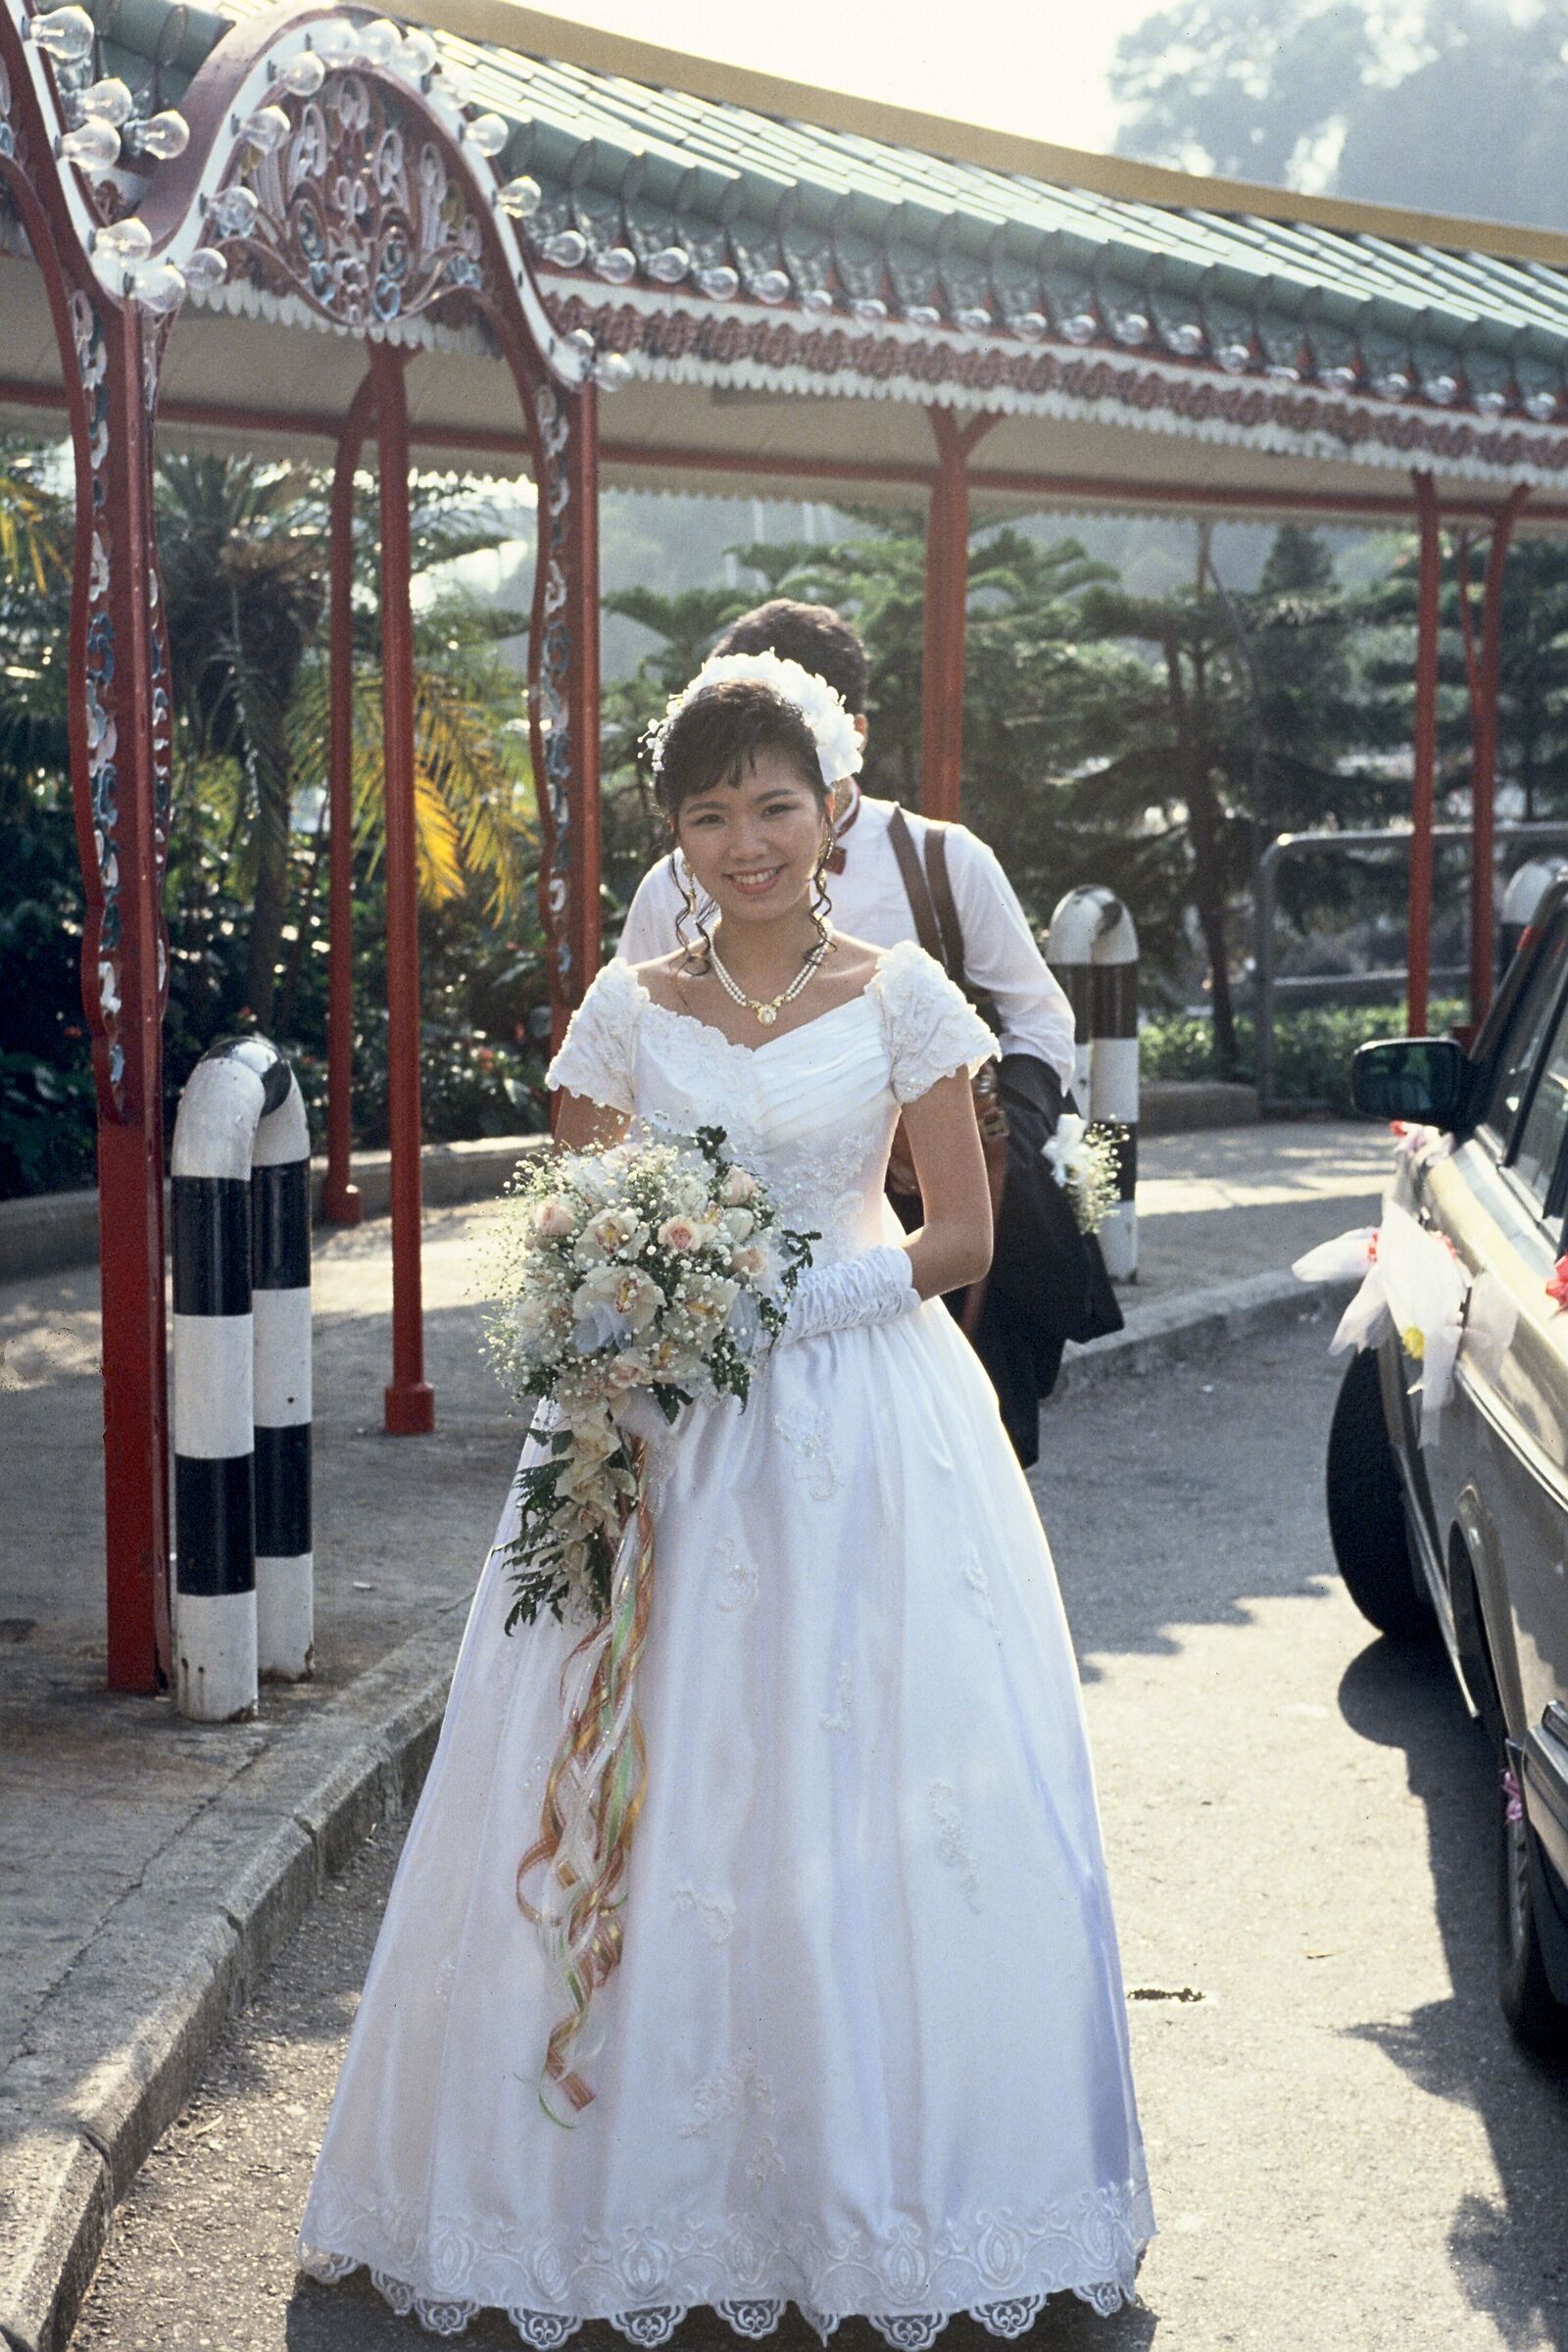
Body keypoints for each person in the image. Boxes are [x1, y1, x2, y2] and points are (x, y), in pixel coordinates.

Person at [295, 657, 1154, 2346]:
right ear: (673, 836)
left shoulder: (904, 993)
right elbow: (574, 1229)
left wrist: (770, 1312)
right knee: (652, 1765)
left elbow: (960, 1242)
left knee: (875, 1781)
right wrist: (632, 1346)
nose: (746, 841)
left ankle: (889, 2192)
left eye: (775, 806)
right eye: (710, 815)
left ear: (830, 811)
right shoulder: (625, 1012)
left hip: (869, 1426)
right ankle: (617, 2201)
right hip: (659, 1434)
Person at [616, 600, 1096, 1468]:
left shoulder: (948, 859)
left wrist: (995, 1131)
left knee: (954, 1447)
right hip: (721, 1251)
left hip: (937, 1206)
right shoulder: (671, 888)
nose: (747, 840)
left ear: (845, 741)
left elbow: (1037, 1013)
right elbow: (642, 1052)